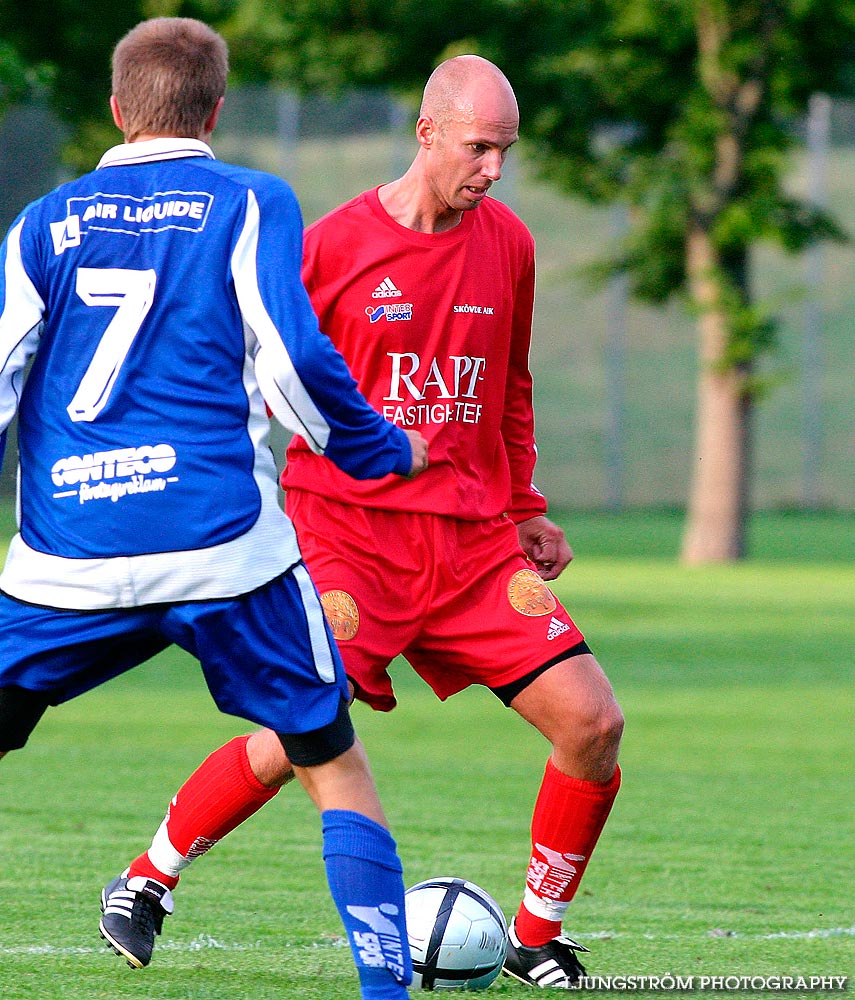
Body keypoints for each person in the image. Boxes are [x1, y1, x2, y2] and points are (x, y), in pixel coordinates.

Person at [103, 54, 625, 989]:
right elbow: (254, 379)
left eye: (505, 152)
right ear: (426, 134)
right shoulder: (329, 247)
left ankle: (536, 934)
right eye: (478, 148)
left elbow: (507, 387)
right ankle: (147, 879)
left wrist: (526, 510)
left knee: (591, 722)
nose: (493, 170)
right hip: (348, 537)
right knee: (303, 726)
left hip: (470, 546)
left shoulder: (508, 243)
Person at [0, 17, 430, 1000]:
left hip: (68, 556)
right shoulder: (247, 200)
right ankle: (386, 993)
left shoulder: (40, 223)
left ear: (117, 109)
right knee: (334, 761)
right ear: (217, 110)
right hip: (223, 550)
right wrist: (378, 449)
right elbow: (295, 358)